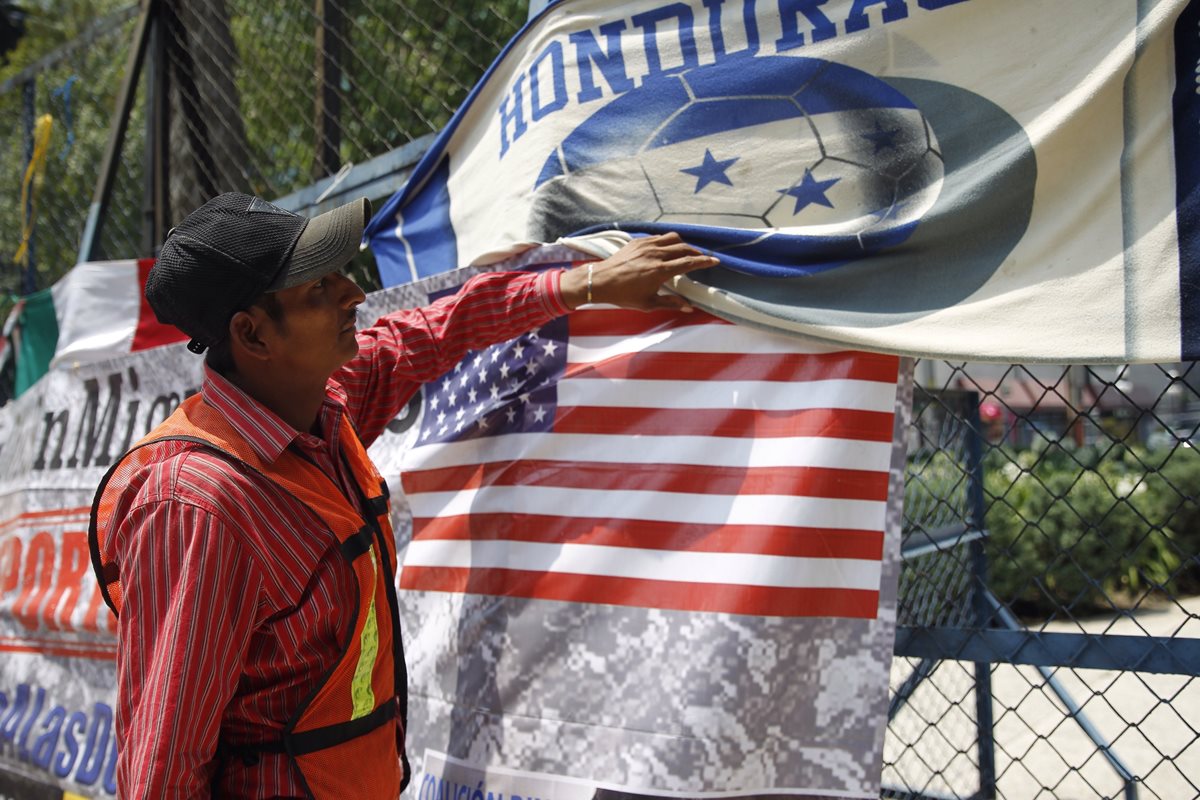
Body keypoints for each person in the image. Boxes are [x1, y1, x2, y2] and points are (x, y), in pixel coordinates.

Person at [87, 192, 718, 799]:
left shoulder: (322, 409)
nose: (352, 295)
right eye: (317, 289)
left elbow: (435, 329)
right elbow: (162, 764)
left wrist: (586, 285)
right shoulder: (197, 506)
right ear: (253, 337)